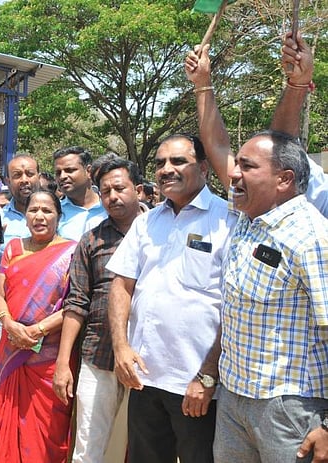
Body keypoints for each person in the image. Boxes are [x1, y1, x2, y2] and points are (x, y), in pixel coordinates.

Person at [188, 32, 328, 461]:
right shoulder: (246, 219)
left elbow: (278, 141)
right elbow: (221, 147)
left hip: (292, 410)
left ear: (285, 180)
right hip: (234, 398)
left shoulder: (312, 237)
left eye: (246, 168)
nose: (232, 175)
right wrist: (203, 87)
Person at [107, 134, 234, 463]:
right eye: (161, 163)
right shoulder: (146, 222)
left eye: (178, 161)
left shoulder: (228, 221)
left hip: (197, 385)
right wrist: (121, 347)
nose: (166, 169)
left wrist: (207, 375)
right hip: (144, 378)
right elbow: (121, 284)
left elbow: (234, 307)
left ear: (204, 168)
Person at [53, 156, 144, 463]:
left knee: (145, 447)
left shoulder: (161, 233)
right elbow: (76, 303)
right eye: (105, 191)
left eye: (119, 188)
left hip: (150, 361)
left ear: (139, 189)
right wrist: (63, 363)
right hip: (98, 355)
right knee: (89, 445)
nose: (112, 197)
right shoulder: (91, 240)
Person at [0, 189, 76, 463]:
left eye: (47, 210)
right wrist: (8, 323)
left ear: (59, 216)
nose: (40, 216)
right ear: (24, 216)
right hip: (12, 348)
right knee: (10, 416)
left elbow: (73, 305)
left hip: (49, 356)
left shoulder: (71, 252)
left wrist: (37, 331)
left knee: (48, 425)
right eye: (34, 210)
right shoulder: (12, 249)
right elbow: (1, 295)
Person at [0, 153, 41, 278]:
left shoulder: (59, 214)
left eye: (30, 174)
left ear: (39, 178)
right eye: (17, 175)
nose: (24, 180)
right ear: (7, 181)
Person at [53, 146, 107, 240]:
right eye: (58, 173)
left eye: (69, 170)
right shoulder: (55, 212)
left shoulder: (109, 206)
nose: (62, 177)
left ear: (89, 171)